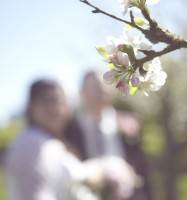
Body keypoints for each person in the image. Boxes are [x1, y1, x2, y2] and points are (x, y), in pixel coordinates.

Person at [6, 79, 136, 200]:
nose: (55, 108)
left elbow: (78, 174)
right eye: (47, 101)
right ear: (31, 107)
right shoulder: (32, 144)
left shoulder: (46, 143)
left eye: (60, 101)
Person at [65, 71, 152, 200]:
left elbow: (142, 167)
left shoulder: (128, 123)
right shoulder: (70, 129)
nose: (101, 91)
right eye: (95, 87)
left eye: (106, 85)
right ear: (82, 93)